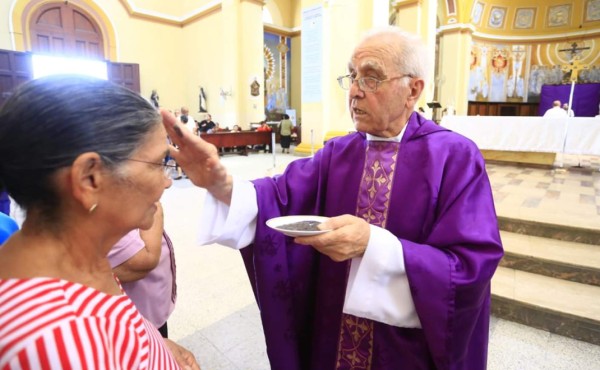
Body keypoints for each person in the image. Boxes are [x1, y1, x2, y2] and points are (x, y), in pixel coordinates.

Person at [164, 26, 503, 369]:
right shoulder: (337, 153)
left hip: (405, 350)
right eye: (352, 77)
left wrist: (373, 245)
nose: (355, 91)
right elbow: (279, 198)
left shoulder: (455, 156)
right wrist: (220, 183)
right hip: (334, 337)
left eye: (371, 78)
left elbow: (471, 263)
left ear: (412, 90)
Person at [0, 75, 199, 370]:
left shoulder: (77, 258)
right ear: (89, 178)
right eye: (158, 163)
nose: (167, 182)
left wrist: (154, 345)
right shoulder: (58, 340)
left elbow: (114, 325)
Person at [108, 202, 177, 339]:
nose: (167, 183)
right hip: (137, 321)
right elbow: (144, 260)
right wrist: (154, 205)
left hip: (149, 309)